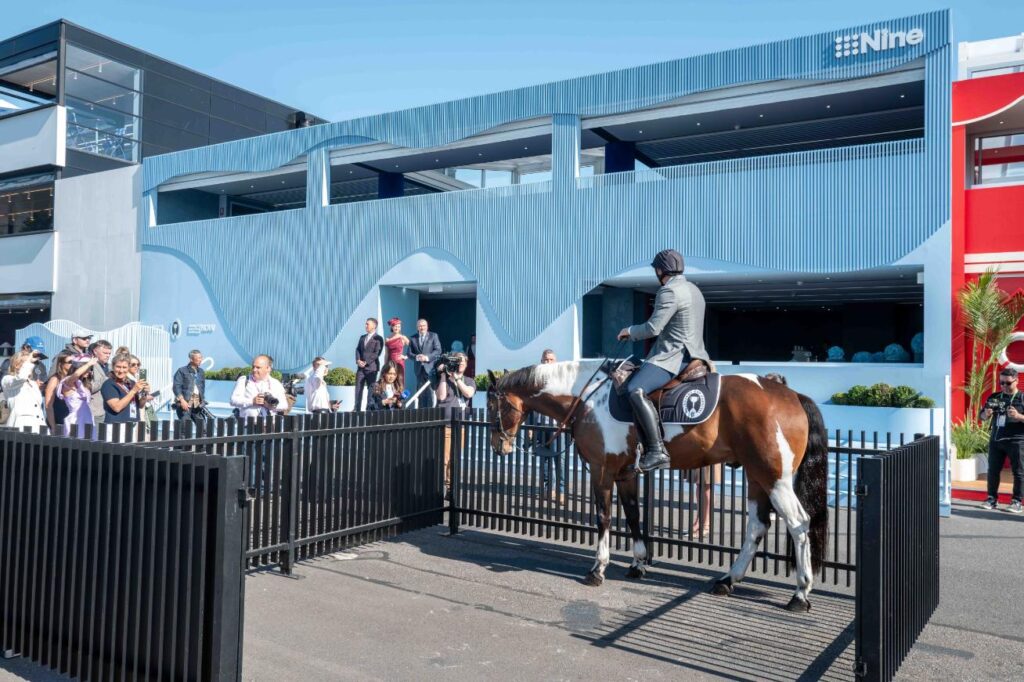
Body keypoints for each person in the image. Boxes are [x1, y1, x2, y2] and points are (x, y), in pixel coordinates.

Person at [617, 249, 710, 472]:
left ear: (660, 270)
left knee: (635, 389)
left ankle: (656, 450)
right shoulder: (694, 289)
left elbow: (653, 328)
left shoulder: (668, 291)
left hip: (673, 357)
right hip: (698, 355)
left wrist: (628, 331)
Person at [979, 367, 1024, 514]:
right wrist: (986, 414)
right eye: (1001, 383)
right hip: (996, 439)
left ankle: (1016, 501)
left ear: (1016, 381)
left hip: (1016, 440)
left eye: (1008, 383)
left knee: (1018, 472)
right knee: (993, 470)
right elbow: (982, 417)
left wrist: (1019, 417)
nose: (1004, 386)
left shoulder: (1022, 398)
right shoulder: (995, 397)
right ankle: (992, 499)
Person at [435, 352, 476, 496]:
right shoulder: (444, 378)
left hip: (460, 425)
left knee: (454, 459)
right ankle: (439, 488)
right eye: (457, 361)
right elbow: (441, 396)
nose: (460, 364)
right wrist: (444, 376)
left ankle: (450, 488)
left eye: (462, 362)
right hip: (445, 424)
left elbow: (469, 393)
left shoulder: (469, 380)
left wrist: (457, 379)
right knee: (444, 459)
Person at [528, 350, 565, 504]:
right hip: (540, 425)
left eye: (551, 360)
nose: (548, 362)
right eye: (545, 360)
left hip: (557, 427)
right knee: (544, 460)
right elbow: (530, 405)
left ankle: (560, 491)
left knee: (559, 460)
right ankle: (546, 489)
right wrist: (530, 427)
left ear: (555, 362)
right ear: (541, 361)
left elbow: (565, 403)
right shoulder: (535, 382)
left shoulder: (561, 381)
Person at [230, 354, 288, 420]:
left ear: (268, 368)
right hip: (247, 426)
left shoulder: (276, 383)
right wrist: (252, 401)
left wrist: (269, 406)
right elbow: (233, 400)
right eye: (253, 367)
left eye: (258, 367)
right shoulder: (244, 380)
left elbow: (284, 405)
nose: (254, 370)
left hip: (269, 426)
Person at [2, 348, 47, 429]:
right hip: (20, 427)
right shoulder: (7, 380)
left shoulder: (33, 383)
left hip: (38, 426)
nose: (31, 365)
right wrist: (29, 360)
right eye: (27, 362)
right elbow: (21, 377)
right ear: (16, 365)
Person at [101, 353, 150, 425]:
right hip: (116, 425)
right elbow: (116, 407)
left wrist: (144, 394)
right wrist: (133, 390)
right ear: (113, 367)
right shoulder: (109, 384)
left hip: (133, 423)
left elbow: (140, 405)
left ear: (128, 368)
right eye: (118, 367)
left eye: (124, 367)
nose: (121, 371)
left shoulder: (131, 383)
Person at [60, 356, 99, 437]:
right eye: (86, 368)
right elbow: (76, 375)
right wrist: (88, 364)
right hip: (75, 420)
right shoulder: (68, 382)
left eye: (90, 369)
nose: (89, 371)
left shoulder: (84, 384)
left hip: (88, 418)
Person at [410, 319, 442, 408]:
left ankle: (431, 414)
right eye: (420, 326)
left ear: (427, 327)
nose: (422, 327)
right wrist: (417, 357)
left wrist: (427, 357)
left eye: (423, 325)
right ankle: (421, 414)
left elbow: (438, 350)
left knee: (431, 392)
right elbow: (409, 353)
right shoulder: (413, 338)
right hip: (419, 370)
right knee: (421, 392)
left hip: (430, 369)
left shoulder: (433, 336)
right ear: (417, 327)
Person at [355, 318, 383, 411]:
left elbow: (376, 353)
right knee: (358, 390)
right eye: (365, 324)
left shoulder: (378, 338)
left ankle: (368, 411)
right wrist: (358, 360)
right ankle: (357, 410)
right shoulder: (362, 337)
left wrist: (366, 362)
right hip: (361, 369)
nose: (365, 326)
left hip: (372, 368)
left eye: (367, 324)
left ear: (374, 326)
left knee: (370, 391)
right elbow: (358, 349)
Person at [173, 349, 207, 427]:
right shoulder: (182, 371)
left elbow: (202, 387)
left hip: (197, 404)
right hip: (185, 404)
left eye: (201, 357)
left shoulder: (201, 372)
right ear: (191, 359)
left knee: (203, 428)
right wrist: (182, 401)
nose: (200, 359)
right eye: (198, 358)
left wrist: (202, 400)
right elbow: (176, 387)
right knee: (185, 430)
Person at [44, 351, 73, 432]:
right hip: (58, 421)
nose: (73, 364)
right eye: (70, 362)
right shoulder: (55, 379)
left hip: (72, 421)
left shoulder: (74, 379)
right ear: (61, 364)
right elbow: (48, 405)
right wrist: (53, 426)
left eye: (74, 362)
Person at [86, 339, 113, 424]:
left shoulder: (109, 367)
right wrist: (105, 378)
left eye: (109, 353)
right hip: (94, 411)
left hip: (108, 410)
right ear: (95, 351)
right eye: (105, 353)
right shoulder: (89, 365)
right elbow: (88, 388)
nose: (108, 356)